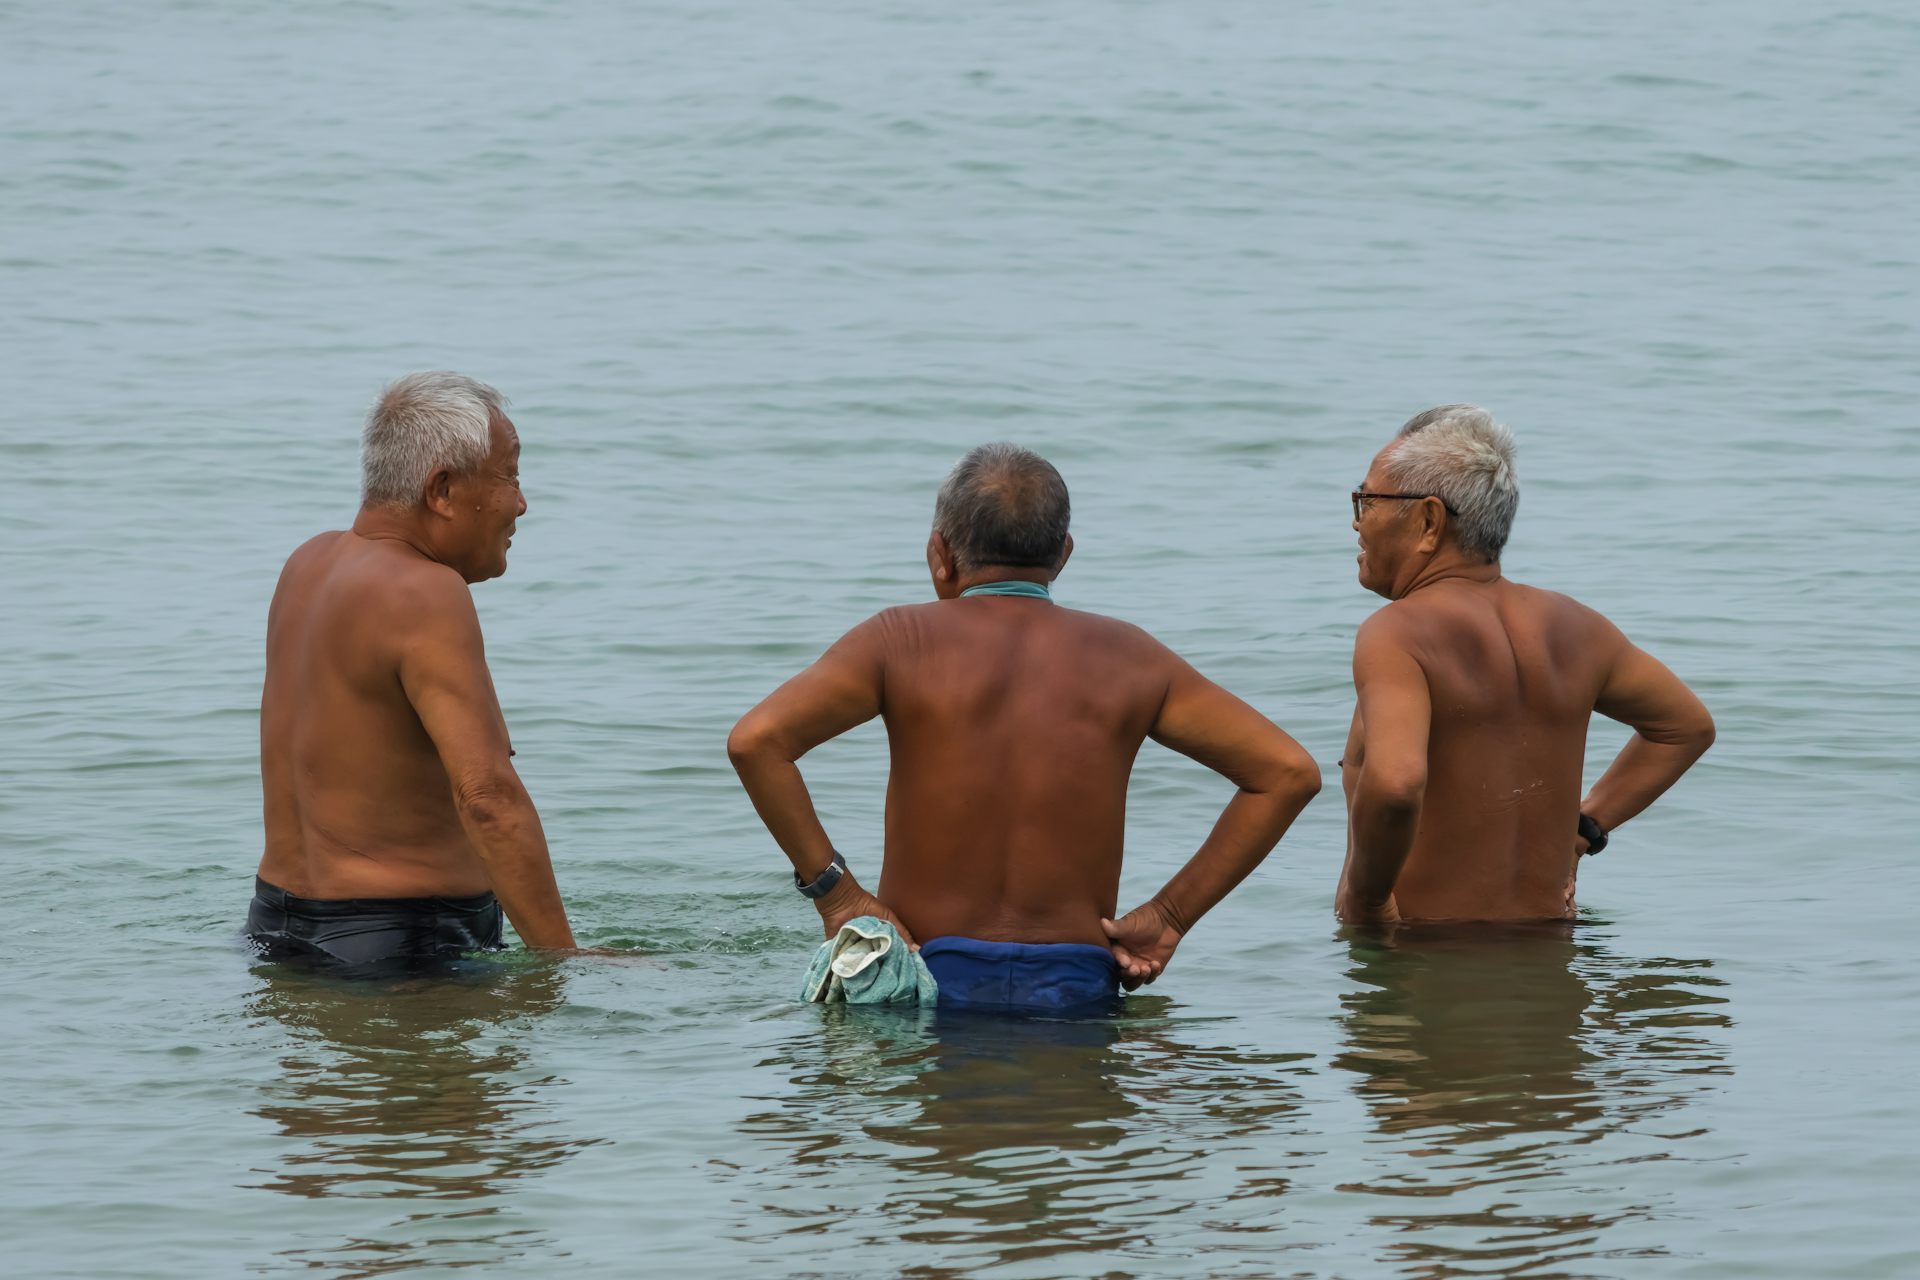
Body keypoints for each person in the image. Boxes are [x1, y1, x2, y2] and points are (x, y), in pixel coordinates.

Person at [728, 443, 1321, 1010]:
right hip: (1076, 981)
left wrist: (838, 894)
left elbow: (757, 742)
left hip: (926, 973)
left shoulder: (898, 640)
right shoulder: (1131, 657)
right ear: (1063, 553)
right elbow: (1287, 773)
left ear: (939, 553)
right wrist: (1169, 916)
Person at [247, 371, 577, 967]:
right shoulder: (425, 591)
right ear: (443, 489)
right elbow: (486, 797)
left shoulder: (308, 562)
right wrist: (565, 959)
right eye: (510, 476)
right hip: (398, 940)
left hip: (276, 924)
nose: (521, 503)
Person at [1338, 405, 1715, 924]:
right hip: (1547, 948)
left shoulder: (1396, 633)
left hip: (1426, 960)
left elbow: (1397, 784)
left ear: (1428, 521)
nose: (1357, 521)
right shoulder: (1578, 627)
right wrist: (1584, 829)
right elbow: (1685, 728)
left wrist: (1366, 901)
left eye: (1367, 500)